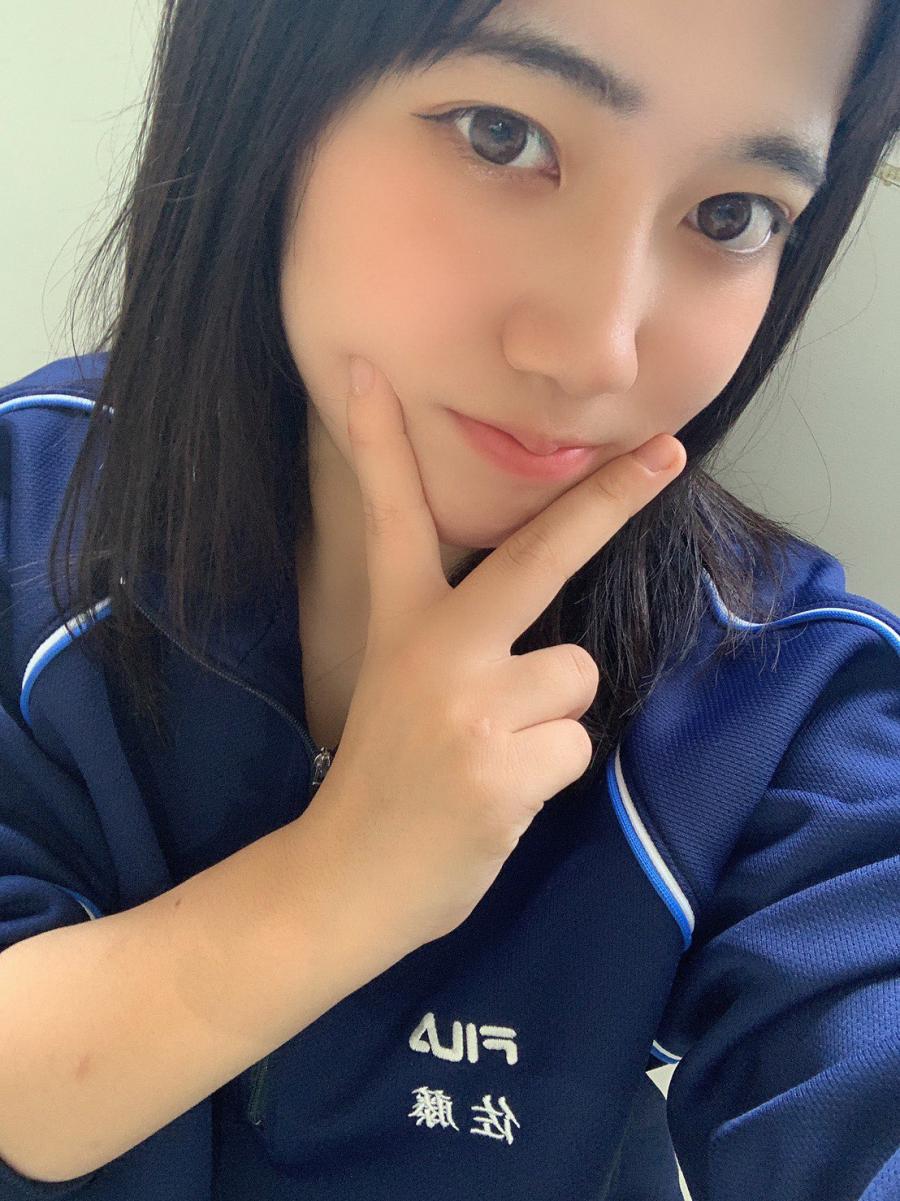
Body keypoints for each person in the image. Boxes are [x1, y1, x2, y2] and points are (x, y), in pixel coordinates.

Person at [0, 0, 897, 1197]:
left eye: (732, 215)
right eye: (501, 135)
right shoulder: (22, 511)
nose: (597, 350)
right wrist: (343, 879)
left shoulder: (783, 698)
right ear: (267, 96)